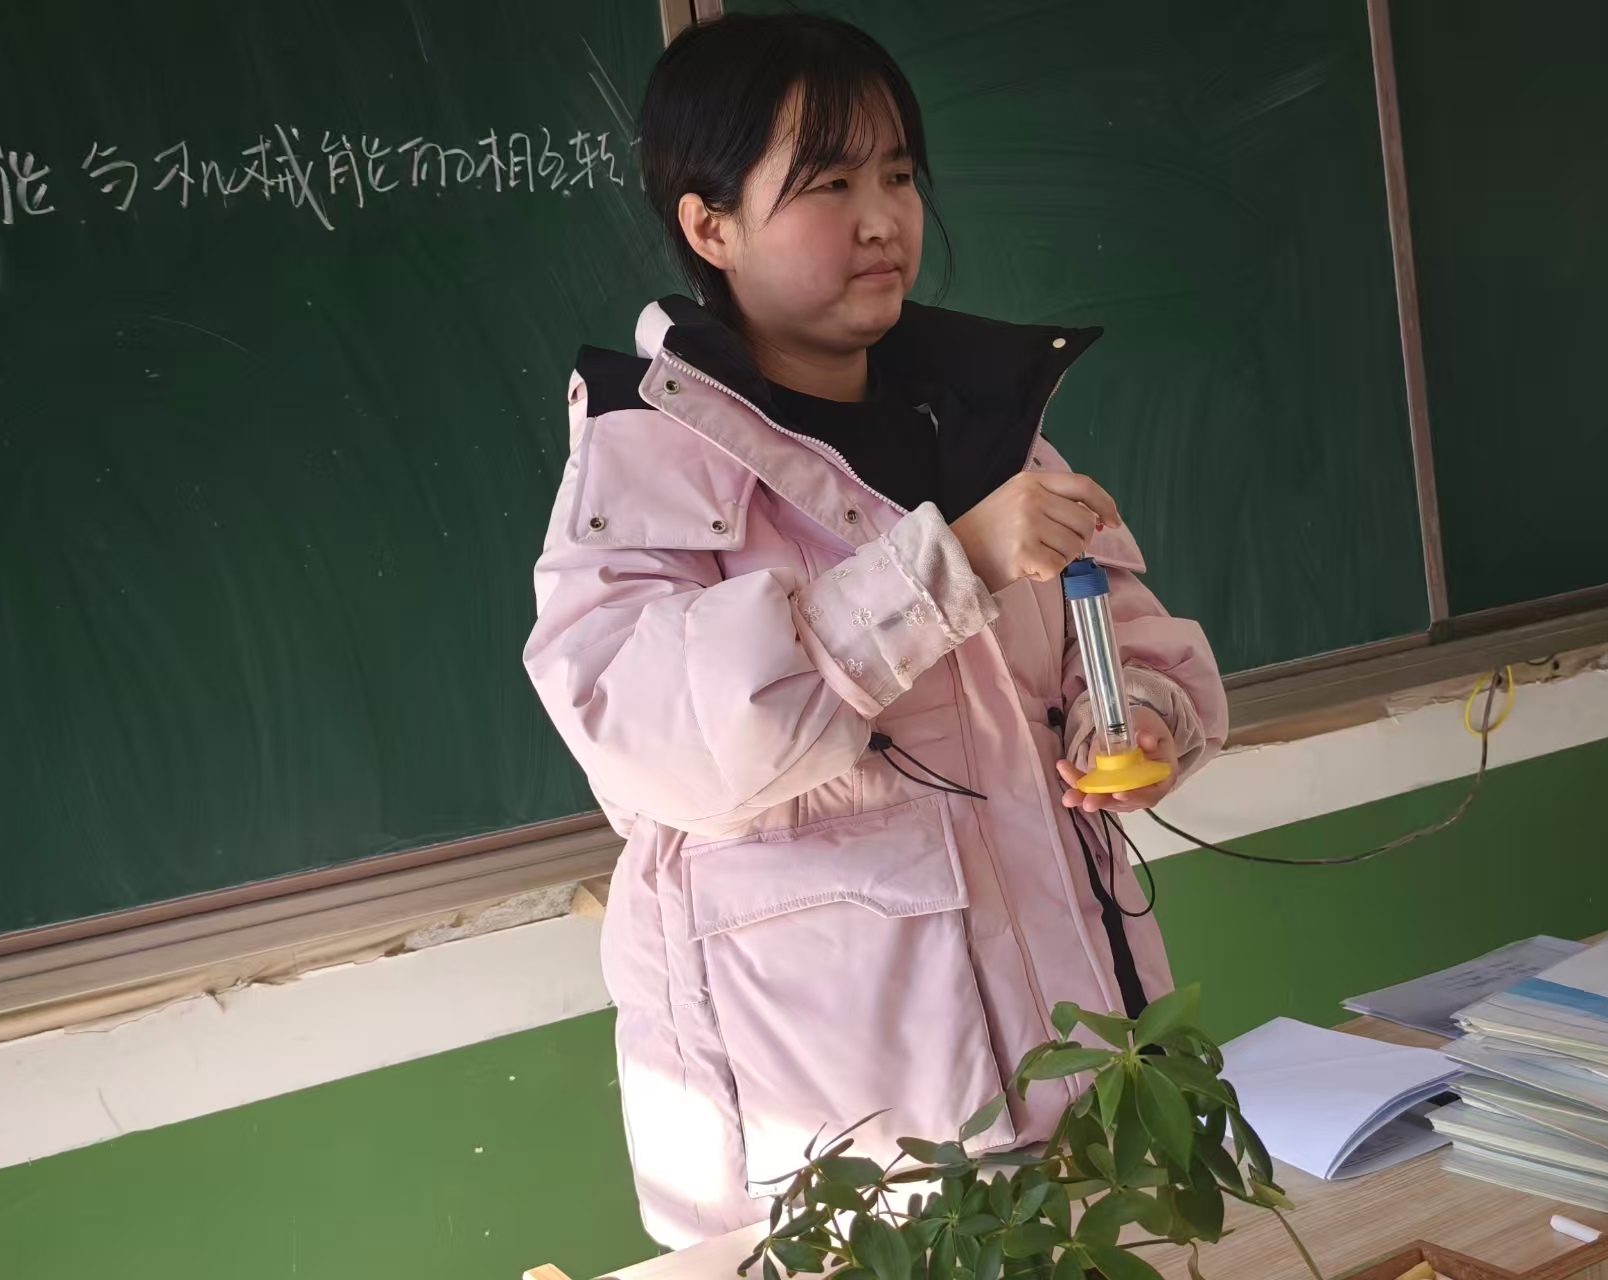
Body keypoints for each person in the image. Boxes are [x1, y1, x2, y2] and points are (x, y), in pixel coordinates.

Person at [523, 13, 1228, 1249]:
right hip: (843, 1151)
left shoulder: (988, 426)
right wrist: (947, 567)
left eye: (897, 175)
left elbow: (1124, 631)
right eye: (828, 184)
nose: (882, 217)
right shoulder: (645, 460)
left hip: (1087, 1085)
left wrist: (1145, 715)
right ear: (710, 228)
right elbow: (656, 744)